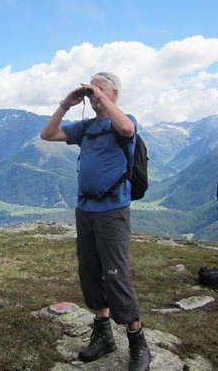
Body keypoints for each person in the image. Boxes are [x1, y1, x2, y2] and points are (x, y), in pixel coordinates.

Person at [40, 73, 152, 371]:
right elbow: (48, 134)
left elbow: (127, 129)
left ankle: (138, 341)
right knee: (90, 271)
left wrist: (100, 96)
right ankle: (103, 334)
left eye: (99, 90)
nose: (92, 95)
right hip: (85, 209)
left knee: (116, 273)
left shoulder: (124, 121)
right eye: (90, 91)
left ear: (113, 94)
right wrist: (66, 104)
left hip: (113, 210)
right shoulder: (86, 127)